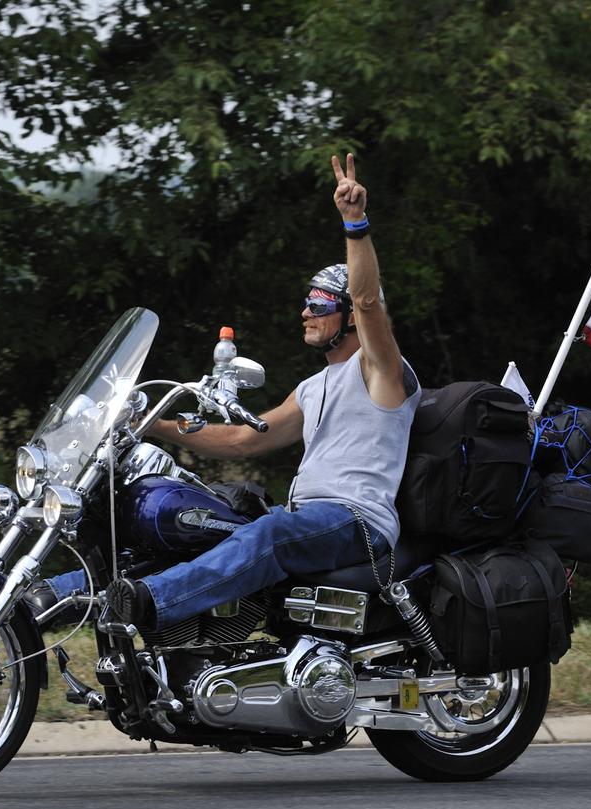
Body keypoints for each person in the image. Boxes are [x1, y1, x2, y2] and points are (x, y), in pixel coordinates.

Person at [103, 153, 422, 630]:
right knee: (198, 522)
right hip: (308, 517)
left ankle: (151, 604)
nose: (306, 312)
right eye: (307, 302)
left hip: (357, 522)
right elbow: (244, 440)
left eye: (319, 303)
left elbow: (368, 299)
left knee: (270, 532)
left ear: (350, 318)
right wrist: (150, 426)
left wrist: (355, 223)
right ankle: (47, 599)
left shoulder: (381, 369)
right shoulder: (313, 387)